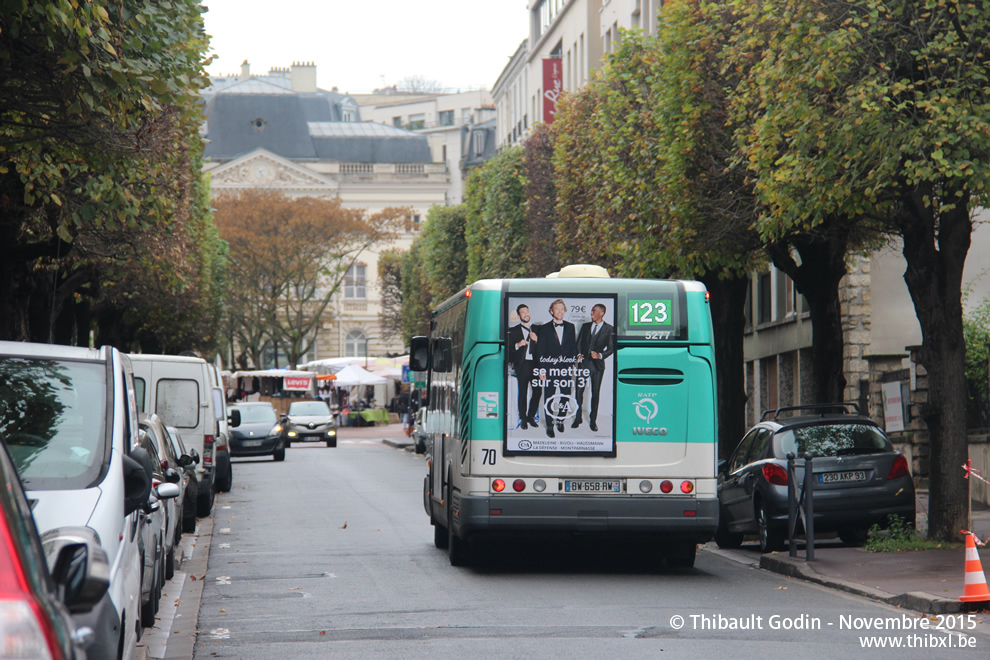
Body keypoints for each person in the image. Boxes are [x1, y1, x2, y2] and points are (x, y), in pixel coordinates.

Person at [533, 298, 578, 438]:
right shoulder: (544, 328)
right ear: (551, 311)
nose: (559, 312)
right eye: (556, 309)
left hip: (565, 368)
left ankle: (560, 420)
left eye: (561, 309)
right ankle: (550, 425)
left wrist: (572, 364)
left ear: (564, 311)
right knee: (549, 397)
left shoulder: (571, 327)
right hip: (549, 369)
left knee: (565, 395)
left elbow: (573, 347)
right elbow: (540, 350)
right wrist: (541, 369)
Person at [573, 303, 616, 433]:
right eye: (591, 311)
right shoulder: (586, 326)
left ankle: (593, 421)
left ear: (601, 313)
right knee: (578, 391)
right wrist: (579, 354)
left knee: (595, 393)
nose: (591, 313)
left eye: (594, 311)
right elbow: (579, 343)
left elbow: (612, 348)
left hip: (597, 366)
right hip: (584, 364)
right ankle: (578, 417)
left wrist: (600, 355)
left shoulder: (609, 329)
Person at [508, 304, 542, 430]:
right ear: (519, 316)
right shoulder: (513, 330)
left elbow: (546, 347)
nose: (526, 314)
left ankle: (531, 416)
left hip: (537, 364)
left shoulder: (539, 329)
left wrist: (537, 339)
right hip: (523, 365)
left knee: (537, 391)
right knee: (522, 392)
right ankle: (522, 418)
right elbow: (508, 351)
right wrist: (517, 344)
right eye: (523, 312)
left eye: (527, 311)